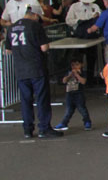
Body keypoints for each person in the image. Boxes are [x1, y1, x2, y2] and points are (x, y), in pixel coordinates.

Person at [5, 9, 61, 139]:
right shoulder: (35, 26)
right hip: (36, 68)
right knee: (41, 99)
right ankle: (44, 128)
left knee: (26, 100)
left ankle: (27, 130)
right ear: (34, 15)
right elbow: (44, 47)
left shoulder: (12, 27)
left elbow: (8, 50)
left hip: (20, 69)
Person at [54, 57, 91, 131]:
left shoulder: (83, 72)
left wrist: (77, 75)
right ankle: (64, 123)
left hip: (79, 93)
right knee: (69, 110)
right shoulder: (68, 72)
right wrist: (70, 75)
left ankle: (87, 121)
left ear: (81, 65)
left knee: (82, 108)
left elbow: (83, 81)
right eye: (73, 65)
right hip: (69, 93)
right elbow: (64, 81)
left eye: (77, 65)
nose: (75, 67)